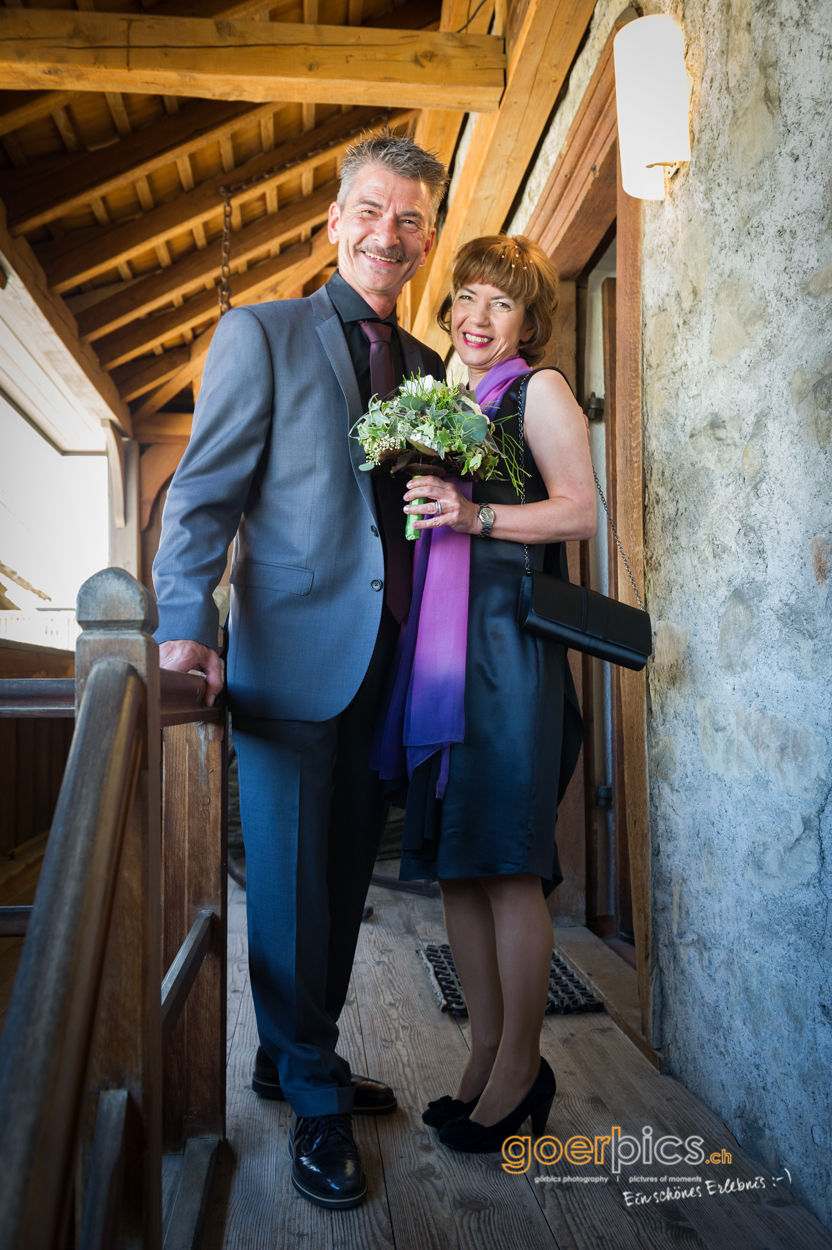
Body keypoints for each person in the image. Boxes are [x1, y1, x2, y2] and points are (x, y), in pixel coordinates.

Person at [152, 131, 448, 1210]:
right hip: (285, 661)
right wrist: (184, 622)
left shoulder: (425, 372)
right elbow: (201, 495)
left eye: (411, 218)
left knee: (340, 884)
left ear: (426, 238)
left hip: (395, 669)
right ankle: (314, 1102)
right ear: (334, 222)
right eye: (371, 210)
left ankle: (291, 1057)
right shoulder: (259, 334)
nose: (389, 232)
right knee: (282, 884)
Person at [374, 234, 596, 1153]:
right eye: (466, 297)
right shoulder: (444, 403)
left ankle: (523, 1068)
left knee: (505, 861)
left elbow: (582, 509)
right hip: (442, 656)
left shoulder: (535, 391)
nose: (477, 317)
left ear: (527, 321)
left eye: (500, 304)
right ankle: (485, 1054)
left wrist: (476, 513)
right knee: (456, 868)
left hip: (508, 657)